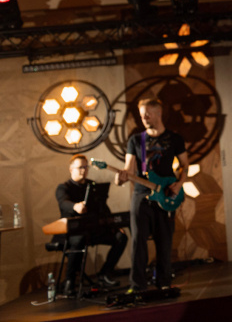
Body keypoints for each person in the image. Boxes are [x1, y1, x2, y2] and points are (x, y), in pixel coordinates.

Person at [115, 98, 188, 292]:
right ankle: (137, 285)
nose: (144, 118)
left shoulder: (175, 138)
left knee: (164, 241)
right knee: (138, 241)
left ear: (159, 113)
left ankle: (164, 283)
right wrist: (120, 178)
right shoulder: (135, 140)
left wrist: (179, 184)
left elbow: (185, 165)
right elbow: (128, 169)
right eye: (142, 115)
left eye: (147, 114)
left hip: (166, 194)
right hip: (142, 195)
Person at [55, 154, 127, 295]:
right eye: (80, 167)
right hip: (73, 232)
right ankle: (69, 280)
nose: (84, 170)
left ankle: (105, 273)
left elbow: (103, 206)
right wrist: (75, 206)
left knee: (120, 237)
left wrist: (113, 224)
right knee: (79, 240)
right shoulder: (63, 188)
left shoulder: (92, 185)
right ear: (71, 169)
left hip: (93, 230)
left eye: (86, 167)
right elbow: (63, 203)